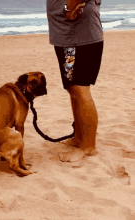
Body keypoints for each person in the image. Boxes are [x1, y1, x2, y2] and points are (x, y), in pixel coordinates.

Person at [46, 0, 104, 162]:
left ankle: (88, 146)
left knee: (80, 88)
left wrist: (69, 8)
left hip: (80, 38)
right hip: (69, 38)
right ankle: (79, 138)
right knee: (73, 88)